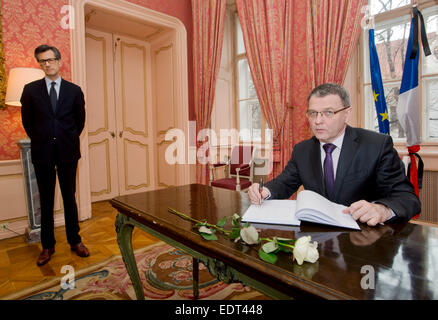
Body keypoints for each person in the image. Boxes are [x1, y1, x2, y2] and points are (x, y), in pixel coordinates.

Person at [248, 83, 421, 226]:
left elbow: (407, 198)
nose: (317, 121)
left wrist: (382, 210)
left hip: (364, 241)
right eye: (313, 113)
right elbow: (284, 183)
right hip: (317, 237)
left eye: (328, 113)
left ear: (347, 114)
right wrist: (265, 191)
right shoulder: (302, 150)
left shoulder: (377, 145)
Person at [21, 45, 89, 266]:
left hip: (68, 152)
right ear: (39, 64)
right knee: (47, 200)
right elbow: (28, 123)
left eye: (50, 60)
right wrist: (43, 140)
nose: (47, 64)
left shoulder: (74, 90)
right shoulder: (30, 90)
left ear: (59, 61)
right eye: (42, 61)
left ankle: (75, 240)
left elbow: (79, 122)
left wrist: (65, 139)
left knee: (69, 198)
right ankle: (47, 246)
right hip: (43, 153)